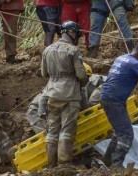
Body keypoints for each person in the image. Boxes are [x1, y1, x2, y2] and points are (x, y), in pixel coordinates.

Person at [41, 20, 88, 168]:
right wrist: (82, 83)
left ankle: (51, 165)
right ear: (72, 33)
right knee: (67, 130)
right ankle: (64, 164)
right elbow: (81, 75)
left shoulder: (47, 50)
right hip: (70, 94)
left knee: (52, 131)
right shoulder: (73, 50)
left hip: (52, 93)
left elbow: (43, 73)